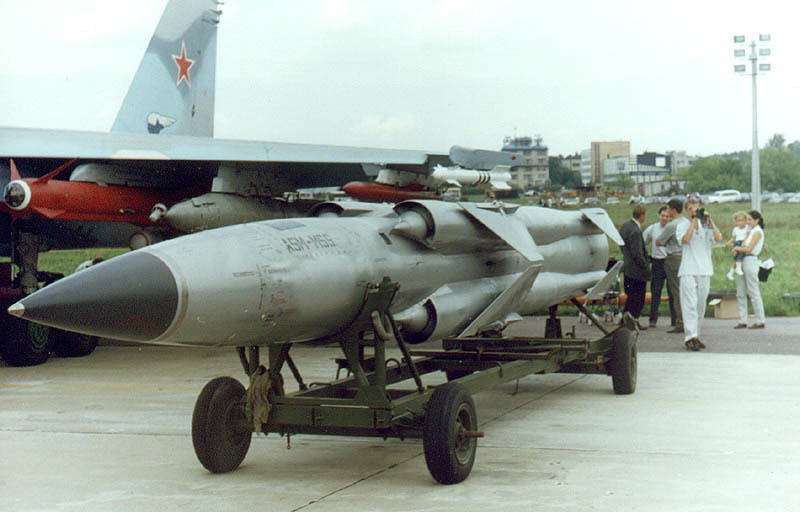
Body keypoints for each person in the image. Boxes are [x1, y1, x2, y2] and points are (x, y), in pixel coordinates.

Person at [676, 198, 722, 351]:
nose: (693, 211)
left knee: (700, 306)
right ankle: (690, 337)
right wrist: (694, 221)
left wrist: (709, 220)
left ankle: (696, 335)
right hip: (688, 270)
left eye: (696, 209)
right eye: (690, 209)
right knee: (689, 304)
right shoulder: (682, 225)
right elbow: (686, 239)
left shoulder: (706, 226)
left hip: (704, 270)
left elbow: (718, 238)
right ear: (686, 211)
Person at [643, 206, 676, 328]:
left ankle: (675, 320)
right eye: (662, 216)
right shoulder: (652, 228)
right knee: (655, 292)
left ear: (670, 218)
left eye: (667, 216)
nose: (664, 218)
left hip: (670, 261)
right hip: (657, 262)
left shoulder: (673, 228)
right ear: (659, 216)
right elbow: (643, 241)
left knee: (672, 292)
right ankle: (653, 319)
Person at [619, 205, 651, 329]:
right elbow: (637, 254)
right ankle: (633, 321)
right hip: (637, 271)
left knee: (630, 297)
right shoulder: (636, 231)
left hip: (627, 268)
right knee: (638, 298)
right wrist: (646, 267)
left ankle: (625, 320)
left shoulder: (625, 226)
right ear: (642, 216)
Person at [732, 210, 766, 329]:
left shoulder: (757, 232)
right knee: (740, 291)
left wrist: (737, 248)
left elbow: (749, 248)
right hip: (742, 260)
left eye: (749, 219)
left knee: (753, 291)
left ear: (757, 220)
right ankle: (743, 320)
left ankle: (760, 320)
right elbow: (743, 246)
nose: (747, 222)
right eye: (746, 219)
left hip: (751, 260)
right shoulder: (750, 231)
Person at [656, 198, 684, 333]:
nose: (667, 212)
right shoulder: (686, 222)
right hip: (685, 257)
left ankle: (681, 321)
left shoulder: (671, 225)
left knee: (676, 290)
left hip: (673, 258)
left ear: (673, 210)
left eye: (668, 209)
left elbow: (658, 242)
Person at [724, 211, 750, 280]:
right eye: (738, 221)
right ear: (736, 222)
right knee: (739, 255)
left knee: (736, 258)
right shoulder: (735, 229)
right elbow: (733, 238)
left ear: (746, 221)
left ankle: (731, 272)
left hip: (743, 242)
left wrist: (744, 242)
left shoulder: (747, 227)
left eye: (742, 220)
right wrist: (728, 243)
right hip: (737, 243)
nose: (740, 222)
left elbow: (747, 235)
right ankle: (738, 268)